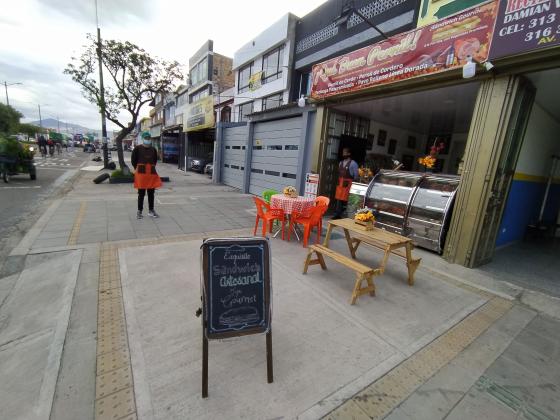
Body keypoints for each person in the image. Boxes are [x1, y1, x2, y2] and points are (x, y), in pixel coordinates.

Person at [131, 132, 162, 219]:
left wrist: (150, 168)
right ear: (143, 138)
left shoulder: (153, 149)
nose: (148, 139)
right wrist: (137, 168)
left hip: (151, 174)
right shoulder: (137, 149)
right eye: (146, 138)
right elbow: (133, 160)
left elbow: (155, 161)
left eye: (149, 138)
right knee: (141, 193)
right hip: (141, 174)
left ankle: (151, 211)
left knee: (151, 193)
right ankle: (139, 211)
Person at [332, 147, 359, 219]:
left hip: (348, 185)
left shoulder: (353, 164)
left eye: (345, 153)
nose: (343, 154)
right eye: (343, 153)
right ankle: (337, 215)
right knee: (338, 199)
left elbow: (356, 176)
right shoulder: (340, 163)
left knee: (347, 200)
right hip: (340, 184)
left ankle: (346, 215)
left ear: (349, 154)